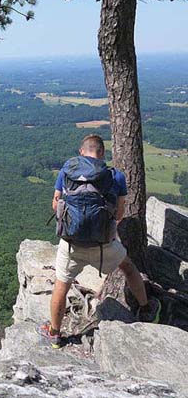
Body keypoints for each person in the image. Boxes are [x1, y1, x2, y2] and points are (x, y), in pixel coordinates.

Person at [37, 134, 161, 349]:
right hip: (104, 245)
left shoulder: (67, 170)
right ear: (102, 153)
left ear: (81, 152)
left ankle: (55, 334)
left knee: (61, 285)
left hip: (71, 244)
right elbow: (120, 213)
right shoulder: (116, 177)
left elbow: (55, 206)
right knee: (130, 269)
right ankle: (147, 309)